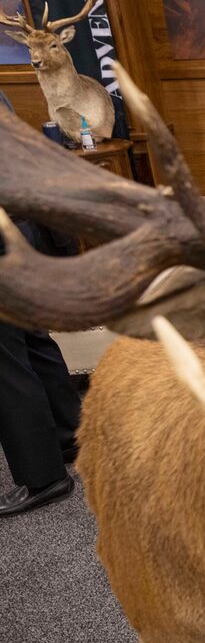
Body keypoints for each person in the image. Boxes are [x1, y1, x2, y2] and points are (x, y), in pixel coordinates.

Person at [0, 90, 81, 517]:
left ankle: (41, 476)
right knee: (32, 339)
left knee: (5, 363)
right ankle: (68, 435)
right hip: (18, 221)